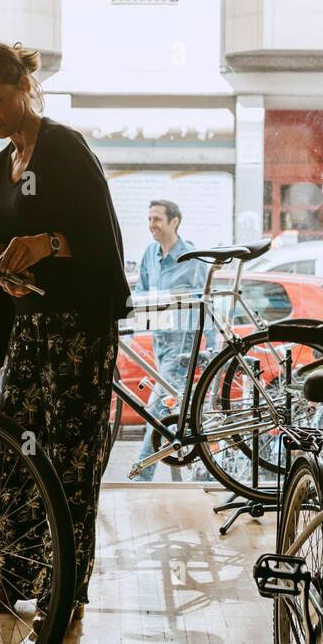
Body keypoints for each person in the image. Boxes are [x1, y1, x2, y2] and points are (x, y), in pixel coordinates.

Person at [0, 40, 130, 630]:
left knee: (69, 460)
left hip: (80, 329)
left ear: (25, 88)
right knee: (15, 453)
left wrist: (49, 243)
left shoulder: (65, 150)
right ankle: (16, 576)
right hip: (29, 332)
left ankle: (65, 591)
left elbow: (105, 244)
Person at [131, 200, 206, 481]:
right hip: (160, 343)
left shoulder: (192, 258)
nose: (151, 225)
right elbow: (141, 293)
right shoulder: (150, 254)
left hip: (183, 345)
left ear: (175, 222)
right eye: (149, 219)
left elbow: (203, 302)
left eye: (157, 219)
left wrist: (205, 347)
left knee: (159, 409)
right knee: (174, 412)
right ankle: (191, 475)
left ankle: (142, 475)